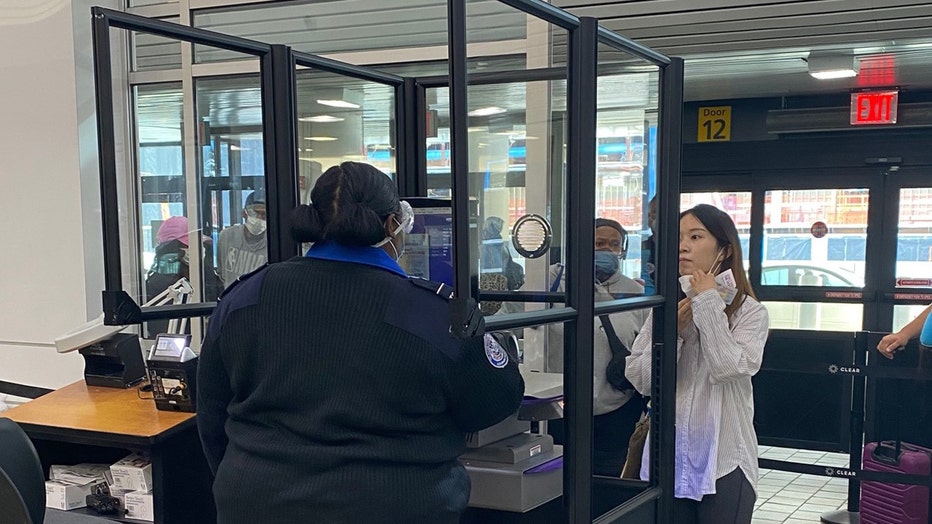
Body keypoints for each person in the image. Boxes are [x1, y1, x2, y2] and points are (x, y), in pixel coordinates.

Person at [197, 161, 524, 524]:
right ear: (391, 225)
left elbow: (212, 412)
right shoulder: (433, 313)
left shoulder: (245, 298)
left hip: (257, 504)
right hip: (392, 506)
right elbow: (496, 400)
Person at [625, 203, 769, 524]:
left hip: (724, 460)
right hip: (668, 457)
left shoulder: (749, 312)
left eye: (695, 236)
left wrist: (706, 302)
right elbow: (642, 381)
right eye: (677, 237)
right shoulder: (665, 306)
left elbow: (728, 368)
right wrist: (672, 334)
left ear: (724, 249)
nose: (682, 246)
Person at [545, 218, 648, 477]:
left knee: (606, 485)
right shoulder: (553, 281)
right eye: (599, 243)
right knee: (556, 483)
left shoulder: (634, 292)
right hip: (558, 410)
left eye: (614, 245)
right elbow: (514, 317)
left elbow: (647, 347)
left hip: (615, 411)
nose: (607, 250)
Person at [145, 216, 222, 337]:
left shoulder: (203, 273)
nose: (200, 249)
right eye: (188, 245)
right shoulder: (163, 285)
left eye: (200, 244)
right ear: (171, 248)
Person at [216, 189, 268, 287]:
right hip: (230, 297)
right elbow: (221, 273)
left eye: (264, 214)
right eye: (255, 213)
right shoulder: (227, 237)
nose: (259, 218)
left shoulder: (273, 243)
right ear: (244, 213)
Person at [640, 195, 658, 294]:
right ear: (648, 218)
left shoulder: (683, 249)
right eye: (655, 212)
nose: (660, 216)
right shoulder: (641, 249)